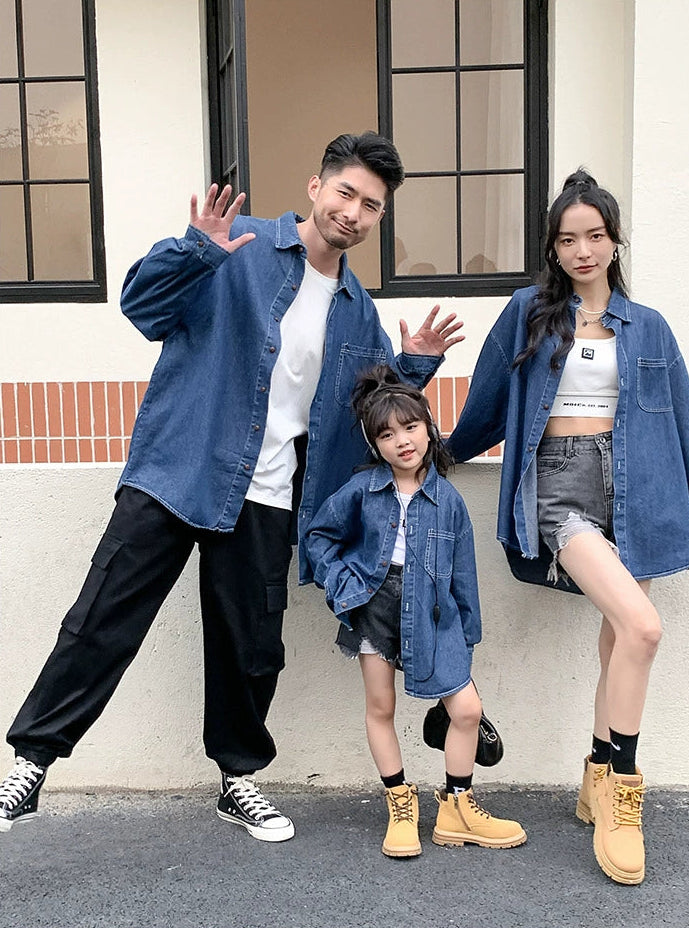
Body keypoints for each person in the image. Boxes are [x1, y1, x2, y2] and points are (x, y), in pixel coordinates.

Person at [0, 132, 465, 842]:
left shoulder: (353, 308)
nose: (355, 211)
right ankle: (30, 765)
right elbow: (141, 308)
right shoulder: (237, 244)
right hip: (179, 469)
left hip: (270, 495)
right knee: (101, 619)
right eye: (346, 192)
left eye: (371, 205)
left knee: (250, 645)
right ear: (315, 188)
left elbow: (369, 402)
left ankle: (237, 779)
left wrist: (414, 365)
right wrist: (195, 251)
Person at [447, 170, 689, 885]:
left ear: (613, 240)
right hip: (559, 488)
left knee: (616, 642)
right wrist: (434, 456)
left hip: (633, 490)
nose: (581, 250)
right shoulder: (527, 313)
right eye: (567, 238)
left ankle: (594, 775)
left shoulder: (648, 326)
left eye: (594, 236)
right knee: (642, 627)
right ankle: (621, 793)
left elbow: (685, 417)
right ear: (552, 247)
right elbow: (485, 402)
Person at [305, 366, 526, 857]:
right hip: (374, 605)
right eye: (387, 434)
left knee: (466, 709)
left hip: (433, 612)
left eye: (410, 427)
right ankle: (400, 804)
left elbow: (463, 573)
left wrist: (467, 634)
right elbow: (319, 536)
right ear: (374, 443)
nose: (402, 441)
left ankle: (457, 807)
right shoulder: (362, 490)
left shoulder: (449, 500)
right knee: (381, 707)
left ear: (428, 426)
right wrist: (343, 584)